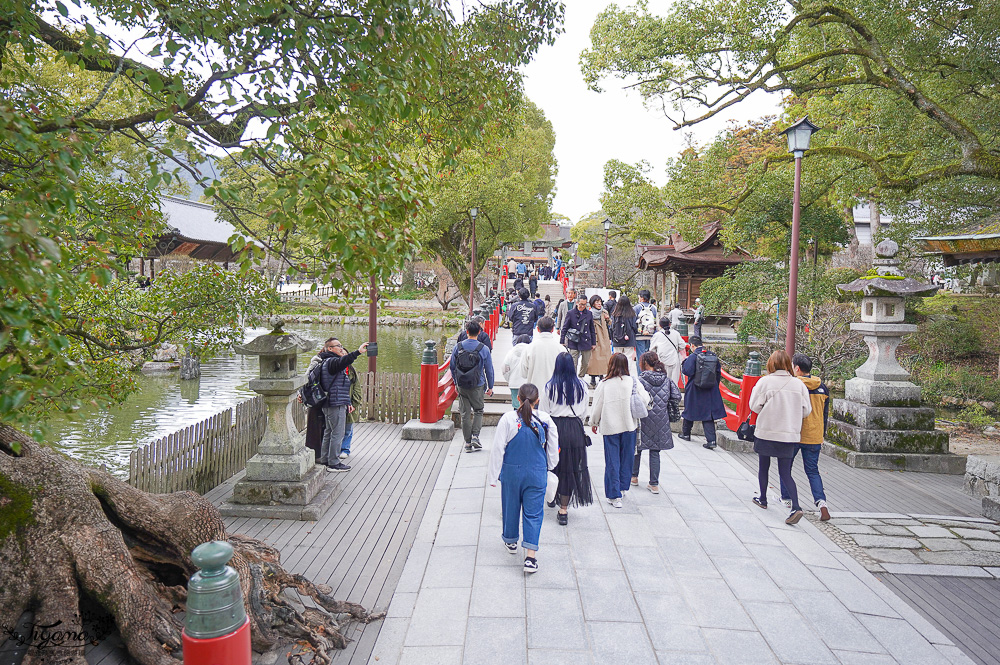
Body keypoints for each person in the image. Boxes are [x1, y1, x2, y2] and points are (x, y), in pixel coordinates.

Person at [487, 383, 559, 573]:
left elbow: (498, 448)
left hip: (512, 471)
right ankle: (530, 557)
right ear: (538, 401)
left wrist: (493, 475)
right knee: (534, 513)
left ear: (517, 398)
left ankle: (511, 541)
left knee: (510, 505)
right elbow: (553, 448)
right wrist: (550, 465)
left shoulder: (508, 419)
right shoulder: (546, 420)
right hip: (537, 471)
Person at [748, 350, 812, 525]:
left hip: (767, 431)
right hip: (789, 433)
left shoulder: (765, 382)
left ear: (771, 364)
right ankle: (796, 506)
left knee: (764, 466)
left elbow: (754, 406)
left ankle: (762, 498)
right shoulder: (799, 385)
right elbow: (806, 411)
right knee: (785, 472)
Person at [540, 353, 593, 524]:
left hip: (555, 428)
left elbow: (544, 413)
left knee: (553, 464)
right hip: (575, 428)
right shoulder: (582, 386)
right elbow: (584, 412)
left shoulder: (550, 387)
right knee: (570, 467)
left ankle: (551, 495)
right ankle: (563, 509)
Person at [590, 353, 648, 508]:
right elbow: (645, 399)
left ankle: (614, 495)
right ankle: (623, 487)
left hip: (610, 426)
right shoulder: (633, 381)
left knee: (612, 460)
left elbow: (597, 406)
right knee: (627, 458)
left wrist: (594, 422)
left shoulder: (604, 384)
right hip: (629, 425)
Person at [780, 353, 831, 521]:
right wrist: (822, 434)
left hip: (795, 433)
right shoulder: (822, 387)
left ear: (797, 368)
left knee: (785, 467)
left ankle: (786, 499)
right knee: (812, 471)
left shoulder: (793, 385)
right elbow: (824, 414)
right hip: (815, 435)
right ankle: (821, 503)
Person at [632, 352, 681, 494]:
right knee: (655, 451)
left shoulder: (640, 380)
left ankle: (634, 477)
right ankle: (654, 484)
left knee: (638, 448)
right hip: (661, 419)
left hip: (643, 418)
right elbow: (677, 396)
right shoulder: (666, 380)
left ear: (644, 364)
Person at [319, 339, 369, 471]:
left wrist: (347, 402)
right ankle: (334, 463)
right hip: (335, 402)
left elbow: (341, 385)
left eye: (341, 346)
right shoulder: (332, 362)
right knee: (337, 433)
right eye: (338, 346)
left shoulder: (325, 361)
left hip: (330, 402)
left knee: (329, 431)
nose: (341, 348)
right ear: (330, 349)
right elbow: (344, 361)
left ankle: (325, 459)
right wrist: (358, 352)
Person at [451, 320, 495, 453]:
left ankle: (468, 443)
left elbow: (452, 367)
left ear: (467, 332)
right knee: (478, 410)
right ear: (479, 332)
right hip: (478, 384)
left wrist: (455, 382)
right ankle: (475, 435)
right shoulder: (484, 349)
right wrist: (490, 386)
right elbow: (489, 369)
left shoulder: (458, 347)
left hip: (462, 385)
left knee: (465, 413)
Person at [678, 336, 725, 450]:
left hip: (695, 387)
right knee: (708, 414)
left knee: (689, 410)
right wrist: (714, 384)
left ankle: (686, 434)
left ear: (692, 346)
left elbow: (687, 371)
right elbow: (718, 373)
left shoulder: (693, 356)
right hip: (710, 388)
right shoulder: (712, 355)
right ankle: (711, 440)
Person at [521, 316, 567, 390]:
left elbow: (523, 373)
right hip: (555, 391)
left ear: (538, 329)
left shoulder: (529, 348)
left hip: (534, 391)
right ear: (553, 329)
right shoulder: (561, 349)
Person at [560, 295, 596, 378]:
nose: (582, 306)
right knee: (573, 363)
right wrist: (562, 341)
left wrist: (593, 343)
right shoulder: (570, 313)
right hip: (574, 340)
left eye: (584, 304)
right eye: (581, 304)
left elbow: (592, 329)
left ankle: (581, 377)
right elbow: (565, 328)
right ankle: (573, 378)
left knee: (585, 362)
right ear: (577, 303)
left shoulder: (589, 314)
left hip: (586, 340)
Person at [586, 294, 612, 386]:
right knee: (594, 359)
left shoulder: (604, 312)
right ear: (593, 303)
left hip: (604, 337)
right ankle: (593, 377)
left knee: (604, 357)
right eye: (597, 302)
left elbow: (610, 324)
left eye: (600, 302)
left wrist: (607, 319)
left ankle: (602, 375)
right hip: (595, 337)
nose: (599, 304)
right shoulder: (589, 313)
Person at [650, 316, 684, 385]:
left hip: (661, 361)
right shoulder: (676, 333)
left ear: (660, 325)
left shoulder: (657, 335)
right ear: (670, 324)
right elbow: (682, 345)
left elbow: (652, 350)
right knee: (674, 383)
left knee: (663, 383)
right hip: (674, 360)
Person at [501, 334, 533, 408]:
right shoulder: (531, 352)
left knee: (517, 407)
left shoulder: (511, 352)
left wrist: (509, 379)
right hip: (529, 384)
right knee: (529, 408)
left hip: (514, 383)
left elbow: (505, 368)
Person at [610, 295, 638, 362]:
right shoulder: (632, 314)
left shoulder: (614, 314)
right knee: (628, 359)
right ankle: (627, 369)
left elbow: (611, 328)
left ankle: (618, 369)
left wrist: (612, 338)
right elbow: (634, 327)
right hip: (629, 340)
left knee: (617, 359)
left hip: (617, 340)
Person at [633, 289, 658, 357]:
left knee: (640, 356)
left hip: (639, 335)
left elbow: (633, 322)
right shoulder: (654, 308)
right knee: (648, 355)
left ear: (642, 297)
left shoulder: (636, 308)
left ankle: (640, 364)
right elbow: (656, 321)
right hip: (650, 334)